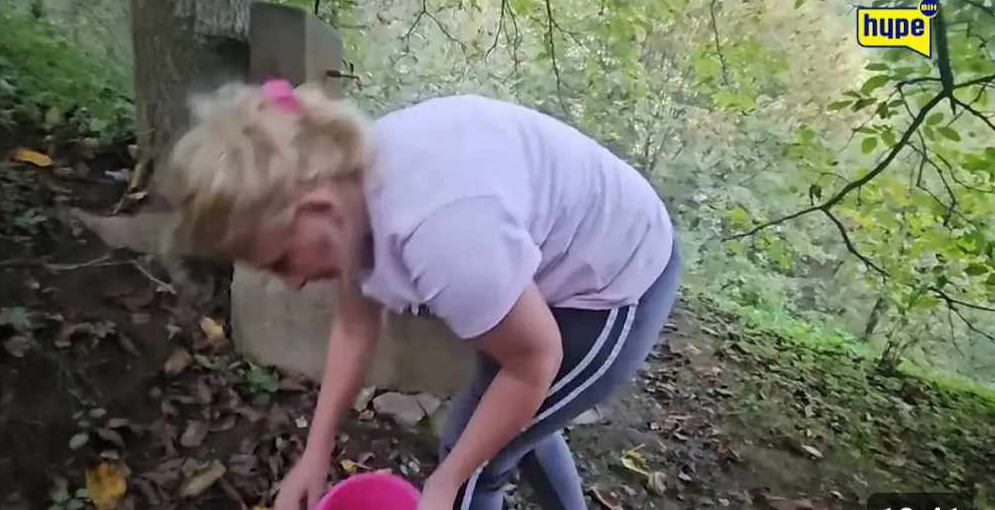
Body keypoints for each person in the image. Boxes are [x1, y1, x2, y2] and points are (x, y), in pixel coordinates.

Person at [156, 79, 682, 510]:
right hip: (542, 267)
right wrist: (316, 453)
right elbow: (355, 327)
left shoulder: (442, 232)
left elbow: (534, 362)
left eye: (281, 261)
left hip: (614, 282)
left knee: (473, 469)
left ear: (317, 208)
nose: (291, 282)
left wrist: (445, 484)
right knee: (515, 422)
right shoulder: (345, 185)